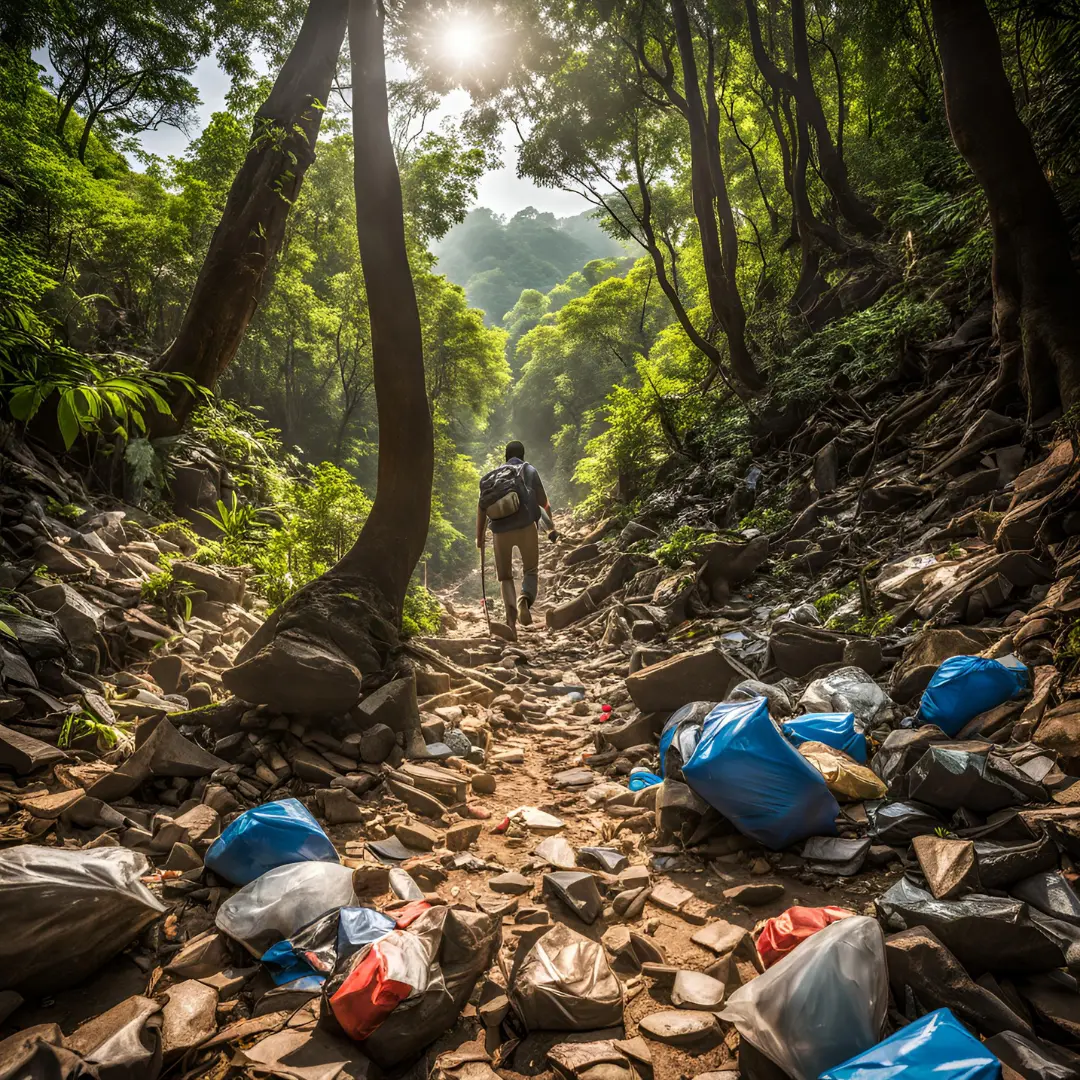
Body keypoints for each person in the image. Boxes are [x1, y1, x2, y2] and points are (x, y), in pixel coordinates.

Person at [476, 441, 557, 629]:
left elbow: (481, 507)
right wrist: (551, 528)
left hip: (499, 531)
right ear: (523, 455)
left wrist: (479, 538)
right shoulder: (529, 471)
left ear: (505, 456)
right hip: (526, 527)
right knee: (530, 570)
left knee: (505, 577)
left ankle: (511, 623)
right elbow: (544, 503)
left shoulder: (494, 477)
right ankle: (525, 600)